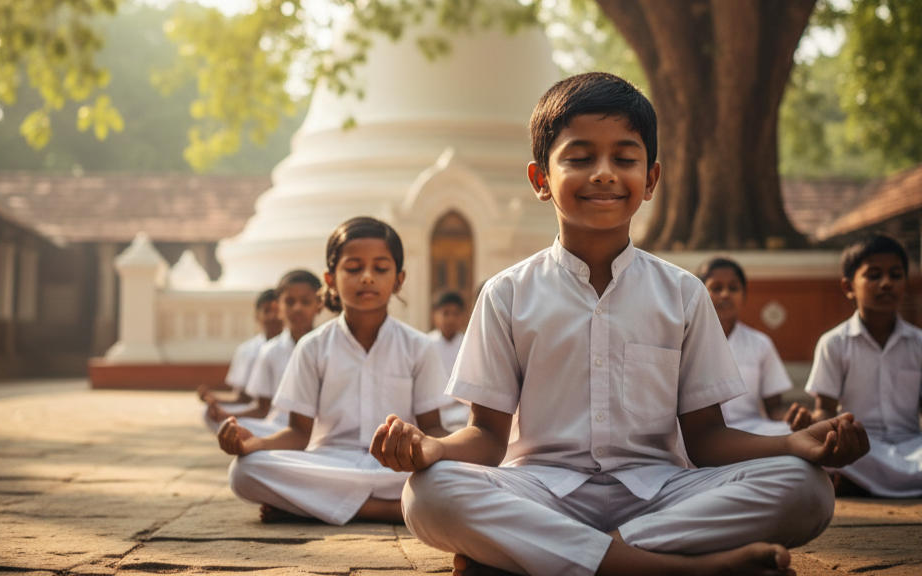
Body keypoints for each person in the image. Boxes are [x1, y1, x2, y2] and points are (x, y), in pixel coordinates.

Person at [370, 72, 870, 576]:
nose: (605, 174)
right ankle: (676, 568)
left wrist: (791, 444)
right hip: (542, 490)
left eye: (625, 158)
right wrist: (432, 448)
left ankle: (545, 556)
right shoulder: (507, 294)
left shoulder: (682, 293)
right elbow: (486, 436)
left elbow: (707, 439)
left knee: (806, 487)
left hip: (660, 492)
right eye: (580, 157)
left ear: (650, 179)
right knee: (429, 492)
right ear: (540, 179)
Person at [218, 216, 450, 525]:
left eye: (380, 268)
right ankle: (392, 511)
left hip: (396, 467)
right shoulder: (313, 347)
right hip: (328, 463)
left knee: (456, 473)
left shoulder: (418, 346)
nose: (367, 277)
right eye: (354, 268)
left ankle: (315, 507)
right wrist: (253, 444)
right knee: (244, 471)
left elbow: (433, 429)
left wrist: (438, 450)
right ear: (330, 280)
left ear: (398, 279)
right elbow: (300, 433)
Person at [787, 233, 922, 498]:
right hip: (859, 448)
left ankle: (856, 485)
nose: (886, 283)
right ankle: (855, 479)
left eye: (896, 275)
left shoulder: (919, 344)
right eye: (873, 275)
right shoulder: (833, 343)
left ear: (906, 284)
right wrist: (809, 426)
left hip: (913, 446)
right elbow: (824, 409)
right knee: (811, 456)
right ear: (849, 287)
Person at [206, 271, 323, 436]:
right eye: (290, 302)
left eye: (305, 302)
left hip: (321, 429)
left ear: (319, 305)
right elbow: (262, 409)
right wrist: (228, 416)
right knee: (245, 459)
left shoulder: (328, 346)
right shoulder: (270, 352)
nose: (298, 308)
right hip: (279, 428)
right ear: (279, 307)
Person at [696, 257, 793, 436]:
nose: (725, 294)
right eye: (716, 288)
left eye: (733, 288)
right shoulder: (685, 342)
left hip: (752, 432)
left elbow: (774, 409)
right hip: (699, 437)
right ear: (699, 294)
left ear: (744, 295)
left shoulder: (760, 344)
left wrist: (795, 421)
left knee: (798, 445)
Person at [199, 289, 282, 431]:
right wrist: (216, 400)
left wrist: (228, 414)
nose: (273, 317)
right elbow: (244, 398)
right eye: (267, 311)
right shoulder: (247, 351)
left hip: (286, 416)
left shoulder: (299, 347)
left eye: (277, 311)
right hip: (259, 412)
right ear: (257, 316)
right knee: (208, 413)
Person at [428, 291, 470, 430]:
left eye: (456, 314)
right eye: (446, 313)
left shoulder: (470, 344)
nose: (451, 319)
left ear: (463, 316)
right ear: (435, 315)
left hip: (465, 414)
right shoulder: (426, 345)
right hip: (433, 413)